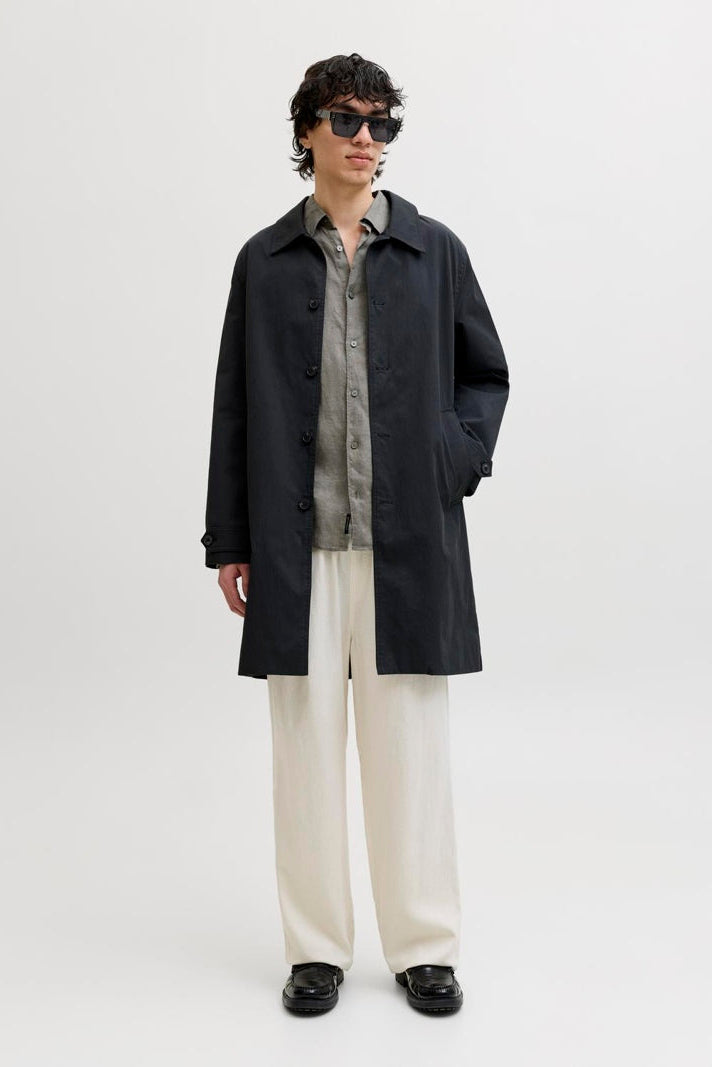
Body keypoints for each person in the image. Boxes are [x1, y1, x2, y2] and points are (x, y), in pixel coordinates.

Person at [200, 52, 510, 1015]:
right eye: (346, 120)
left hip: (406, 540)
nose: (366, 138)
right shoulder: (263, 261)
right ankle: (316, 950)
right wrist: (229, 538)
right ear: (307, 131)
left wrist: (452, 456)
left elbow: (485, 374)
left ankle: (424, 944)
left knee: (410, 753)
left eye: (381, 123)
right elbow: (235, 407)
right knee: (304, 754)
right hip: (296, 547)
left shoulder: (433, 249)